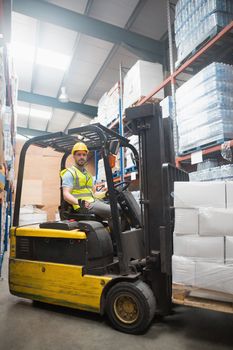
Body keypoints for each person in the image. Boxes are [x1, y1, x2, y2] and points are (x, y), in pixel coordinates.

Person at [60, 142, 112, 220]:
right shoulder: (70, 173)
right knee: (113, 211)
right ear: (74, 156)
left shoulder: (87, 174)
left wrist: (107, 193)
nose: (82, 157)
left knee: (119, 206)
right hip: (81, 206)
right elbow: (66, 194)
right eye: (79, 154)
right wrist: (80, 202)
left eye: (84, 155)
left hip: (92, 202)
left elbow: (93, 193)